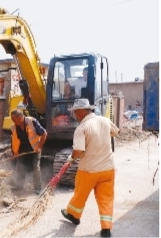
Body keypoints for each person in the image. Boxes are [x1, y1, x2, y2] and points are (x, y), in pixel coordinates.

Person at [60, 99, 120, 238]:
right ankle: (106, 229)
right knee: (106, 199)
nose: (74, 115)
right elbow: (116, 132)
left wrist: (71, 158)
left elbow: (79, 150)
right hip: (107, 169)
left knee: (80, 194)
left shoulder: (81, 128)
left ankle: (74, 215)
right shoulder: (104, 120)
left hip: (88, 170)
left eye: (75, 112)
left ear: (82, 111)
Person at [10, 109, 47, 195]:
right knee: (20, 166)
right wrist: (14, 153)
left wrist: (39, 147)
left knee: (36, 168)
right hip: (22, 149)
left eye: (14, 119)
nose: (13, 122)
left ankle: (38, 188)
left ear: (20, 117)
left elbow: (44, 133)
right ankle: (19, 186)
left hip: (35, 148)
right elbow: (13, 140)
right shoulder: (13, 126)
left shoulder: (32, 122)